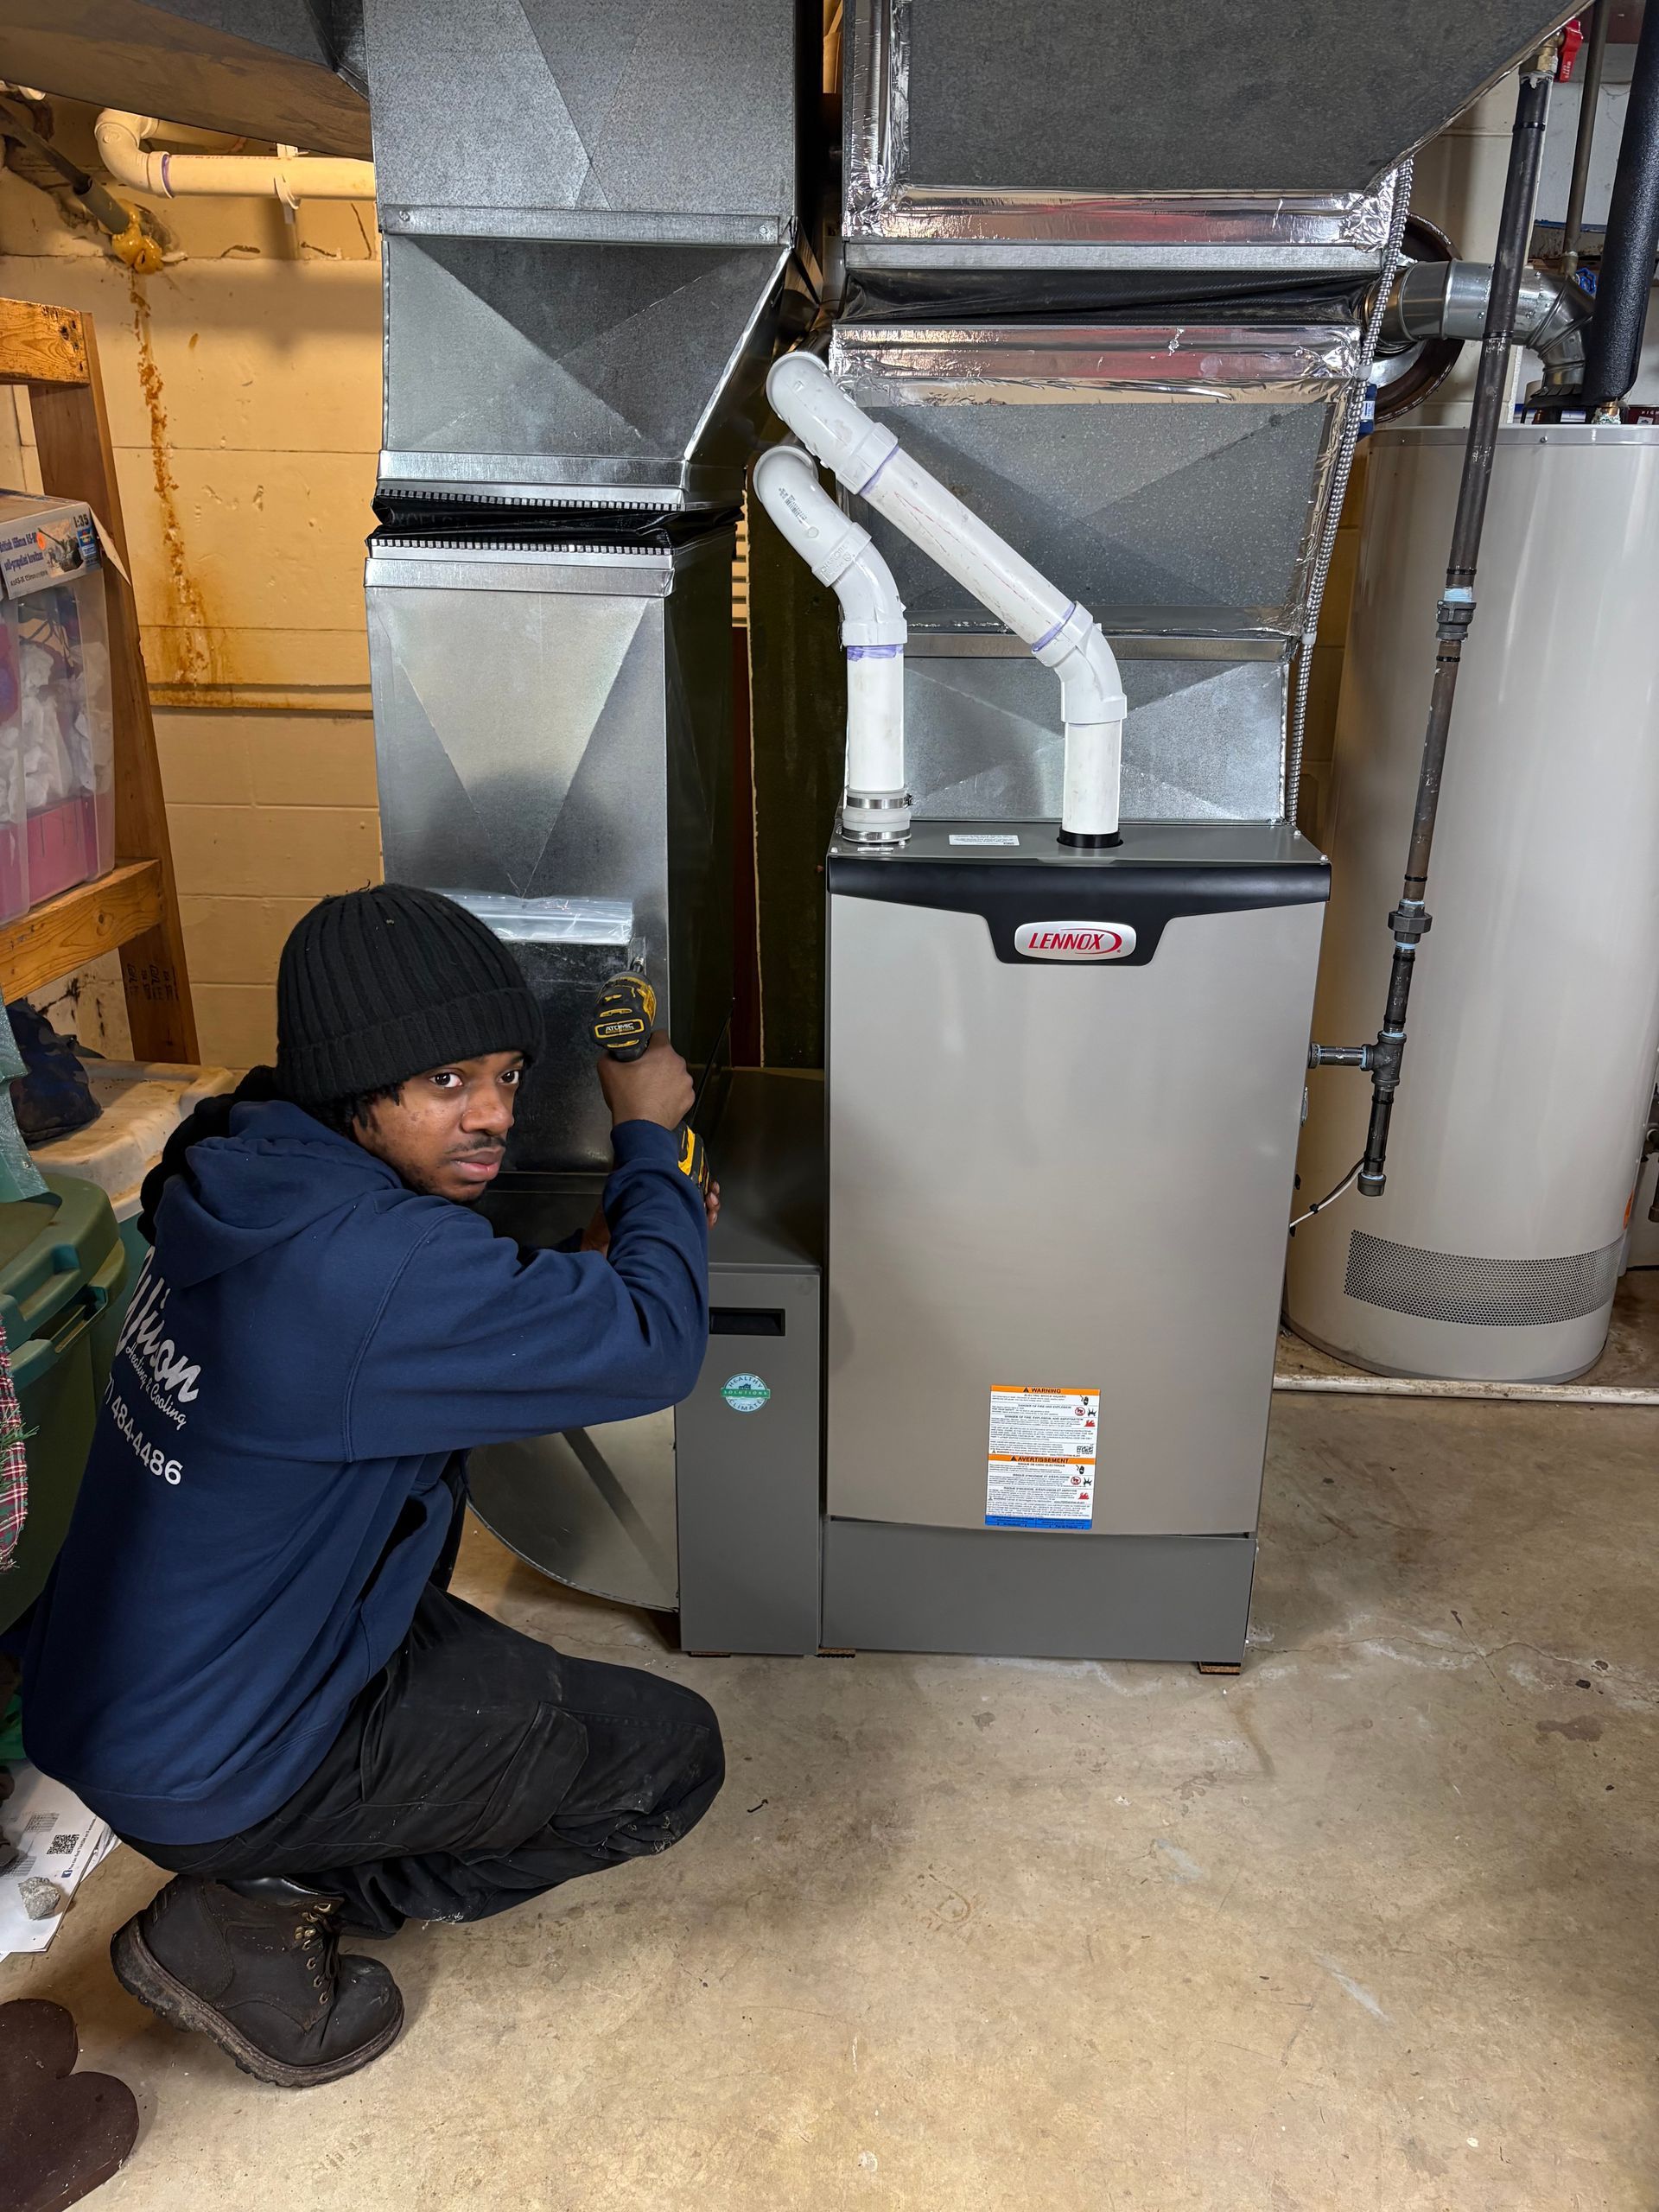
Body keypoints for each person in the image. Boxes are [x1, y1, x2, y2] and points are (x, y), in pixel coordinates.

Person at [19, 885, 724, 2088]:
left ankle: (272, 1857)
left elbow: (377, 1335)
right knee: (666, 1759)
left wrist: (548, 1278)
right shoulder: (374, 1277)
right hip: (216, 1755)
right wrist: (647, 1142)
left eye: (504, 1073)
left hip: (126, 1687)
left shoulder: (239, 1159)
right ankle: (252, 1915)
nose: (494, 1115)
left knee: (499, 1677)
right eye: (448, 1083)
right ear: (357, 1090)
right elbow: (658, 1338)